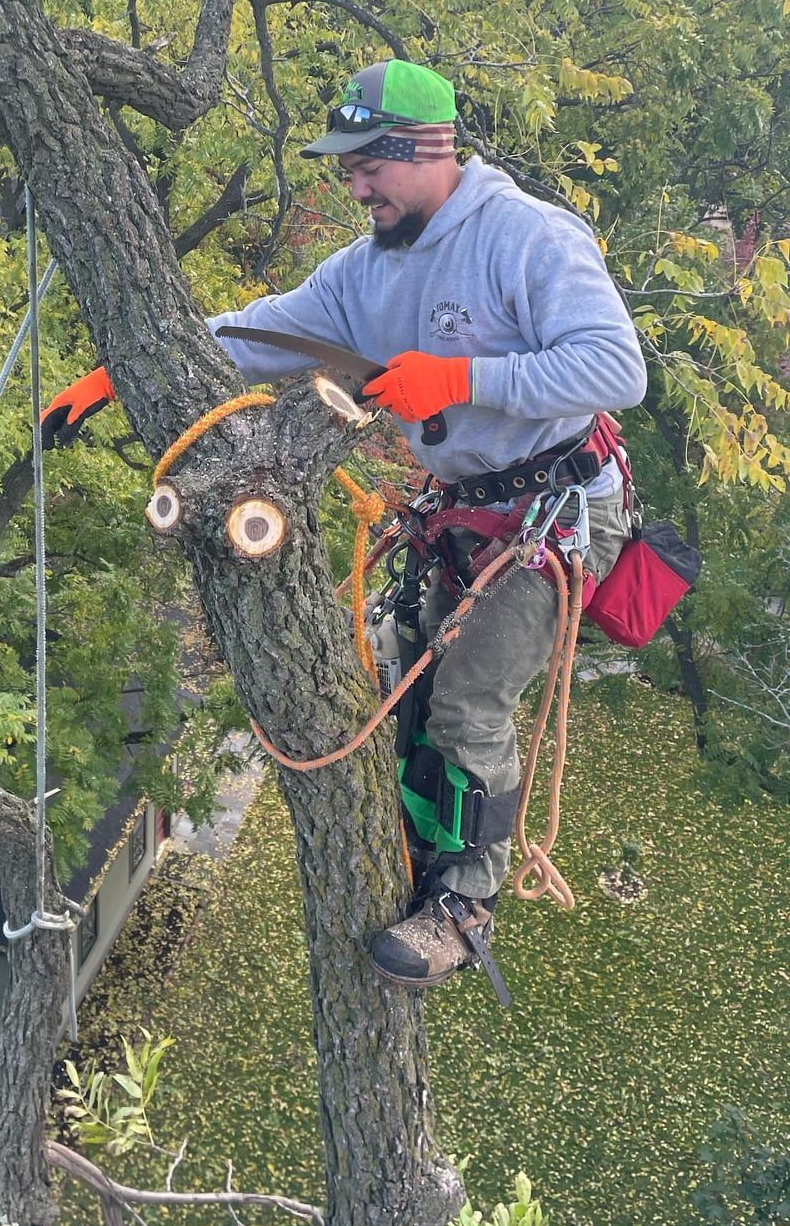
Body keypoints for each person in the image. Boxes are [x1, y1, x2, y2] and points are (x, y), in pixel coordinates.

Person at [41, 58, 647, 994]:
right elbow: (262, 331)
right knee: (402, 679)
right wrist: (116, 372)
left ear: (423, 149)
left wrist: (460, 379)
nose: (354, 186)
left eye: (367, 165)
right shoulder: (366, 270)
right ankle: (417, 845)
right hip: (467, 506)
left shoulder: (526, 238)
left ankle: (465, 905)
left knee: (471, 696)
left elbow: (617, 368)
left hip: (558, 507)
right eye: (347, 170)